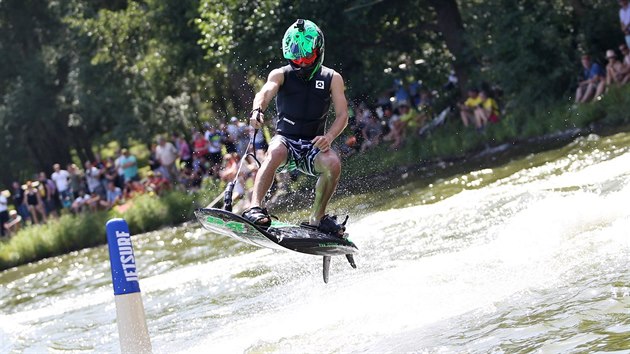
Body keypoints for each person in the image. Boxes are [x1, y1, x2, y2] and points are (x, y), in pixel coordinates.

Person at [241, 19, 349, 236]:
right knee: (276, 150)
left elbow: (343, 115)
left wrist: (329, 136)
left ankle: (318, 219)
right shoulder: (280, 74)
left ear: (319, 52)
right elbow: (264, 92)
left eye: (307, 57)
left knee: (334, 163)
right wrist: (257, 110)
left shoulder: (332, 78)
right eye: (296, 57)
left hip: (313, 144)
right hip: (286, 141)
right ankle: (254, 208)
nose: (301, 63)